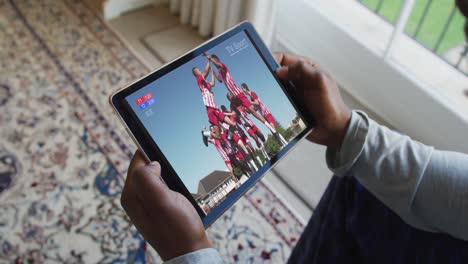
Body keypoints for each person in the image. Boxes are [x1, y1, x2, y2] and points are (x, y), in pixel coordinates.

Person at [204, 53, 282, 138]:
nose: (215, 65)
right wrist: (212, 70)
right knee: (233, 111)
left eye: (214, 62)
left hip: (239, 94)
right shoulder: (220, 73)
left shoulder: (223, 67)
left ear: (217, 60)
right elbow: (219, 80)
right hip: (234, 98)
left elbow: (218, 64)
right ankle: (231, 130)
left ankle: (273, 130)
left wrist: (210, 59)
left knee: (253, 112)